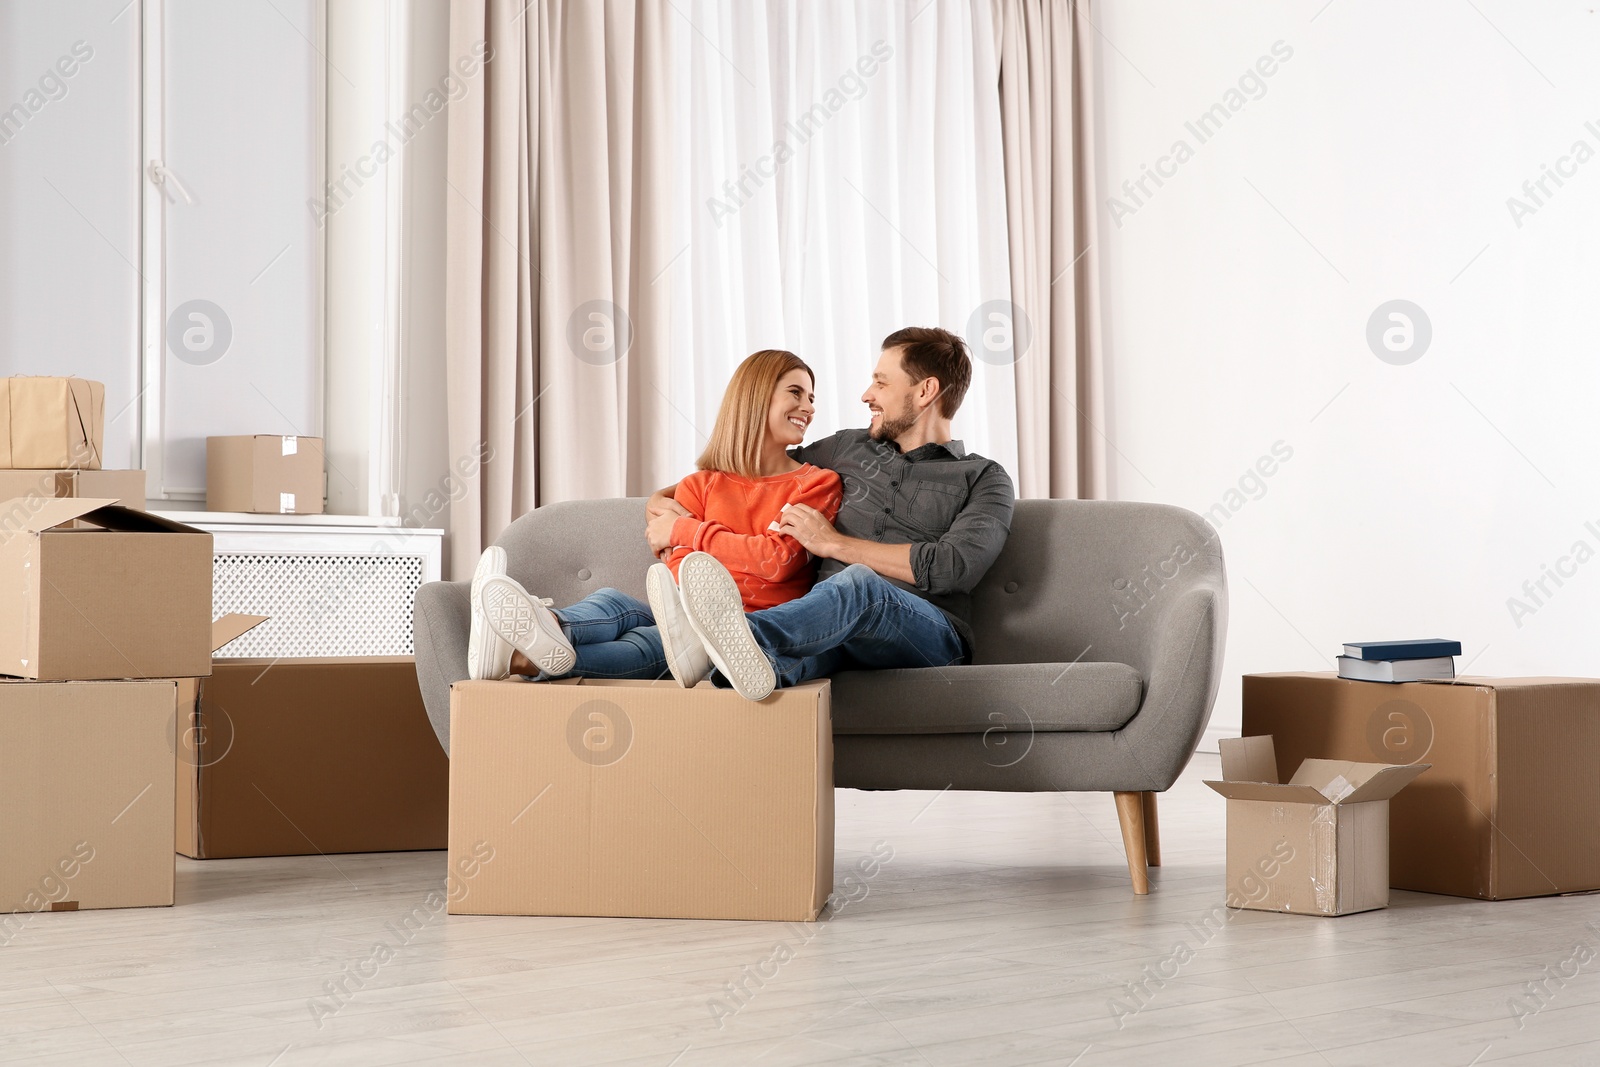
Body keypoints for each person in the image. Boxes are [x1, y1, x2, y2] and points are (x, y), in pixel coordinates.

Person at [650, 326, 1015, 700]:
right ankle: (724, 666)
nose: (866, 395)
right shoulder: (846, 448)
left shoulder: (984, 477)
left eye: (881, 384)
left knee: (861, 586)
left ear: (925, 392)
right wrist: (661, 501)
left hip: (927, 635)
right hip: (831, 627)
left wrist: (835, 544)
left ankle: (728, 636)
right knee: (778, 668)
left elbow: (952, 567)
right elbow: (754, 468)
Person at [467, 349, 842, 686]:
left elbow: (776, 562)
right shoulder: (701, 485)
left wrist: (685, 529)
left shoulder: (816, 483)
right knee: (615, 602)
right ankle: (538, 628)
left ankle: (518, 658)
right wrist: (736, 547)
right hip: (685, 614)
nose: (808, 407)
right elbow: (682, 569)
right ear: (756, 395)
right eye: (796, 392)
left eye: (812, 397)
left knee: (650, 644)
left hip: (747, 631)